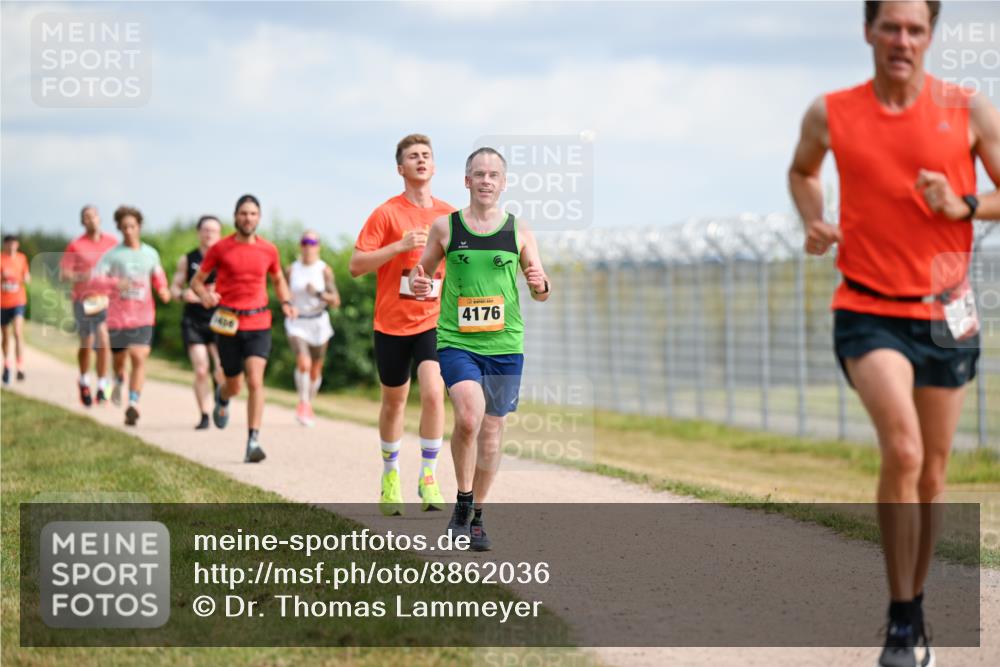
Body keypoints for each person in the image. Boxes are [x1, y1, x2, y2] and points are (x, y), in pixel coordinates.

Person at [788, 2, 1000, 665]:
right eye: (891, 26)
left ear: (930, 36)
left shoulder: (968, 108)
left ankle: (915, 597)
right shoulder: (832, 111)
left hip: (946, 311)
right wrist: (815, 219)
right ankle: (902, 615)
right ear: (868, 32)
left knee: (932, 474)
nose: (902, 39)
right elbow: (802, 171)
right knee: (904, 451)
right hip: (867, 307)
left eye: (916, 29)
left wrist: (963, 204)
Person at [410, 147, 551, 551]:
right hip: (457, 341)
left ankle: (477, 516)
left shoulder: (519, 231)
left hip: (506, 344)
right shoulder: (446, 227)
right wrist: (421, 286)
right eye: (479, 174)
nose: (486, 180)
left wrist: (541, 284)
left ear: (503, 183)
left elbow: (540, 291)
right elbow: (423, 277)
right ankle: (462, 499)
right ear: (467, 181)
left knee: (492, 429)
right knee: (469, 418)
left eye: (494, 175)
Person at [349, 134, 454, 516]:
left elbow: (460, 265)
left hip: (432, 320)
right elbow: (356, 266)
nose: (421, 160)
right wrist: (399, 246)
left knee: (432, 391)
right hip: (391, 323)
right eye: (413, 156)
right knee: (394, 402)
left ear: (434, 166)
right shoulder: (386, 213)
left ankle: (428, 477)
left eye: (426, 155)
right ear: (401, 168)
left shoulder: (449, 216)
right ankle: (390, 476)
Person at [191, 194, 296, 463]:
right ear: (235, 216)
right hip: (228, 323)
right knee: (234, 385)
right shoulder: (220, 248)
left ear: (258, 218)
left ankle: (253, 440)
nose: (248, 218)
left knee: (255, 380)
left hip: (259, 322)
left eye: (253, 214)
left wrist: (285, 301)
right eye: (243, 213)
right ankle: (222, 395)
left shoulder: (269, 250)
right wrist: (204, 296)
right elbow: (197, 282)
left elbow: (278, 279)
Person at [96, 206, 171, 426]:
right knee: (120, 360)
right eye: (125, 227)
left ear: (139, 227)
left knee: (139, 357)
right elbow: (97, 280)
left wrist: (163, 289)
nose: (129, 230)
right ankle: (119, 378)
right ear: (119, 228)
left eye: (133, 226)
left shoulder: (150, 253)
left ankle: (133, 404)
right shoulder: (111, 256)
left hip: (144, 316)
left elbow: (158, 276)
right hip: (118, 317)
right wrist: (114, 283)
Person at [170, 215, 225, 429]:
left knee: (221, 369)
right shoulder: (188, 259)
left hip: (220, 320)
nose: (209, 233)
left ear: (219, 234)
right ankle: (204, 414)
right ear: (198, 232)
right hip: (194, 321)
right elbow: (174, 288)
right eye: (205, 229)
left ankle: (221, 403)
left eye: (213, 230)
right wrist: (184, 294)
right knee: (201, 369)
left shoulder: (225, 259)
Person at [59, 205, 118, 406]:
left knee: (103, 338)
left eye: (93, 216)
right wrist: (83, 276)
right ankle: (84, 379)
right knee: (87, 341)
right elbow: (64, 274)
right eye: (86, 217)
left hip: (106, 299)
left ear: (99, 219)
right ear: (82, 222)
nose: (91, 219)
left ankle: (102, 385)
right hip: (83, 300)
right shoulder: (75, 245)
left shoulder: (112, 243)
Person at [285, 230, 340, 426]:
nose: (309, 246)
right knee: (303, 364)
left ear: (318, 246)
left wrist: (317, 293)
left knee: (315, 370)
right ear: (301, 245)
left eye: (313, 242)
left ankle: (309, 401)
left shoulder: (324, 270)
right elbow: (283, 294)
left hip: (319, 323)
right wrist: (287, 305)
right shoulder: (292, 269)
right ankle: (304, 403)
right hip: (297, 322)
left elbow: (336, 300)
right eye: (305, 241)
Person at [1, 234, 30, 384]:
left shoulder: (22, 258)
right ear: (5, 245)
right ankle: (7, 364)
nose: (11, 246)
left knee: (18, 332)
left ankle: (20, 366)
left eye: (14, 243)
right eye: (8, 243)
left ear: (17, 245)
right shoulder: (0, 259)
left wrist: (25, 278)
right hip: (2, 303)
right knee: (5, 335)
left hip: (18, 301)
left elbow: (27, 277)